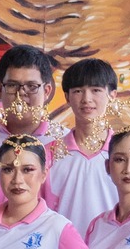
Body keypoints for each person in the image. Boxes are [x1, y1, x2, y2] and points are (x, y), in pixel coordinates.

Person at [48, 58, 124, 231]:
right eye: (78, 91)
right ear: (67, 97)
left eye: (96, 90)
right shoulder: (49, 153)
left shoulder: (128, 154)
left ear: (112, 95)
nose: (86, 99)